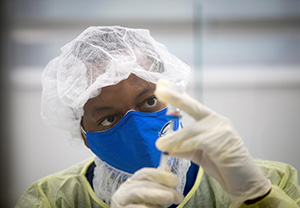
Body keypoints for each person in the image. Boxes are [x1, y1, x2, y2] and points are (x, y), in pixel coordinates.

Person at [16, 26, 300, 208]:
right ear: (83, 135)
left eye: (150, 101)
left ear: (175, 98)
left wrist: (261, 197)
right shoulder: (52, 199)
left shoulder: (273, 181)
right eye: (108, 119)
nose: (138, 129)